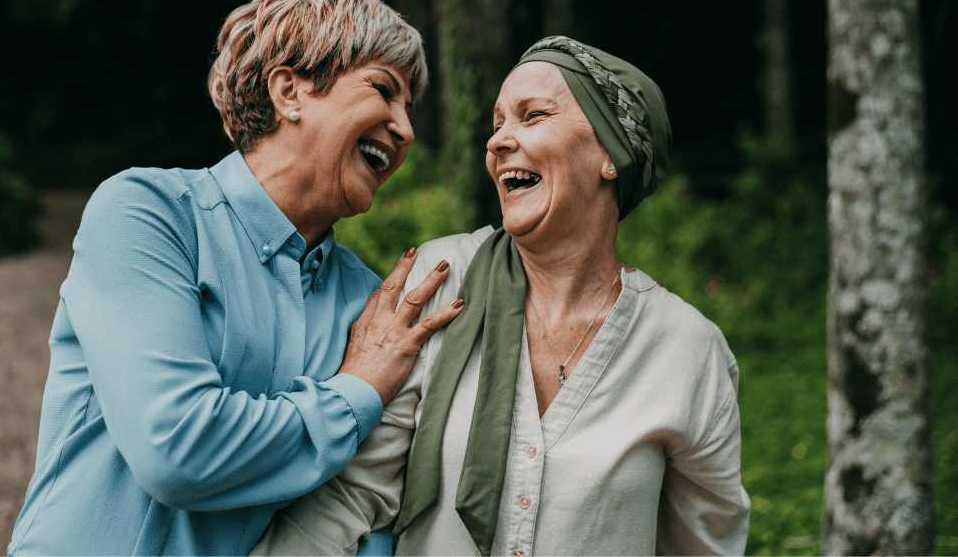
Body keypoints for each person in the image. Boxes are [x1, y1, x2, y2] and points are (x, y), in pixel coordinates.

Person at [6, 0, 464, 555]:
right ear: (289, 91)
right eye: (383, 89)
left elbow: (363, 507)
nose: (406, 128)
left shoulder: (370, 305)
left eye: (409, 106)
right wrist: (358, 390)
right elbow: (175, 448)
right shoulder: (147, 215)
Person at [252, 36, 751, 555]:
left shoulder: (688, 349)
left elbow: (704, 546)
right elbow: (354, 494)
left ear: (611, 154)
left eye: (532, 116)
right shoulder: (438, 279)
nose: (497, 143)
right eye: (497, 125)